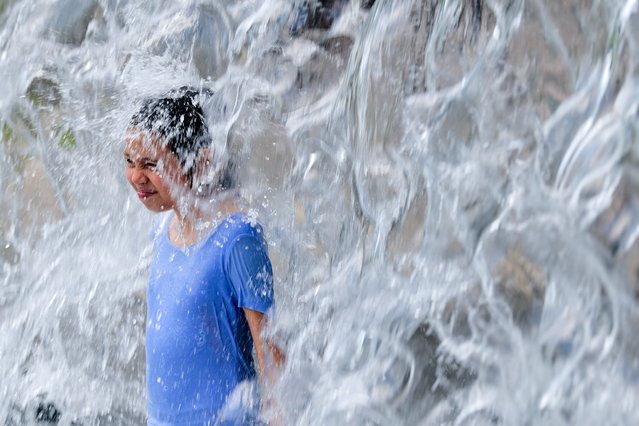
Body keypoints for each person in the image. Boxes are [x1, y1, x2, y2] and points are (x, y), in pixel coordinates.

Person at [124, 87, 282, 425]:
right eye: (129, 161)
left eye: (151, 164)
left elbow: (271, 352)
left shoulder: (237, 238)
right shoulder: (165, 226)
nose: (137, 177)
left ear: (202, 161)